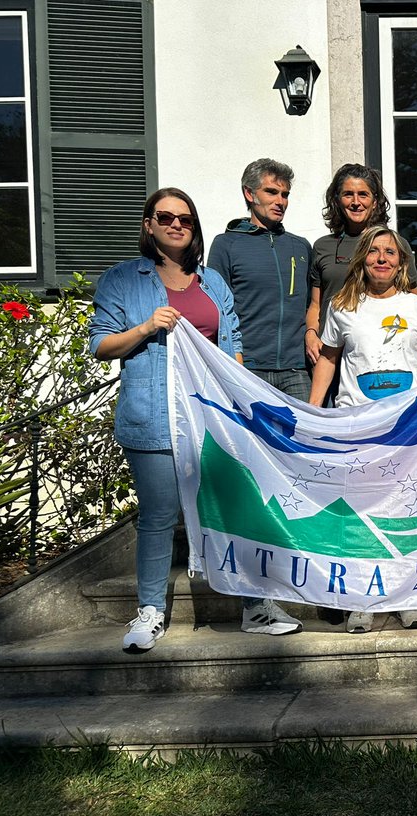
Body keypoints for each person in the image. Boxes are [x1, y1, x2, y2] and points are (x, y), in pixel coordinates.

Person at [89, 188, 303, 652]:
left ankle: (254, 606)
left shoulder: (211, 283)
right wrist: (146, 328)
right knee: (160, 517)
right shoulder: (123, 280)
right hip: (153, 416)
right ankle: (149, 611)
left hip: (213, 417)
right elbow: (101, 345)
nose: (176, 225)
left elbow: (233, 344)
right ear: (148, 224)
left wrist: (239, 387)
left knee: (236, 509)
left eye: (184, 218)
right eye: (165, 217)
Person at [309, 225, 417, 634]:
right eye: (375, 251)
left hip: (407, 427)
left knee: (404, 510)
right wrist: (313, 412)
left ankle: (407, 596)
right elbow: (328, 360)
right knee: (361, 511)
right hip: (357, 423)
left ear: (401, 263)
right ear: (363, 257)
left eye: (390, 253)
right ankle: (362, 599)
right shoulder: (342, 306)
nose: (382, 258)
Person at [208, 159, 314, 402]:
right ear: (249, 193)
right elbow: (217, 309)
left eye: (285, 194)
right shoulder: (227, 244)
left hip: (296, 370)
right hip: (248, 367)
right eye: (271, 192)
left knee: (303, 439)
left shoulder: (300, 247)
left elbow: (312, 305)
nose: (280, 201)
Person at [308, 164, 417, 367]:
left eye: (363, 194)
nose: (356, 202)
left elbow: (413, 301)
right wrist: (311, 334)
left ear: (375, 202)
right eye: (348, 194)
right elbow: (316, 304)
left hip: (377, 357)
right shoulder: (323, 246)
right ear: (337, 200)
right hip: (329, 355)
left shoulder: (394, 245)